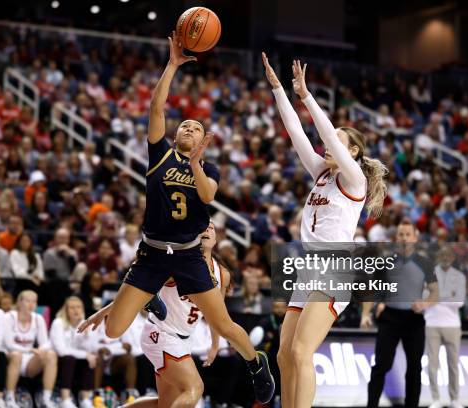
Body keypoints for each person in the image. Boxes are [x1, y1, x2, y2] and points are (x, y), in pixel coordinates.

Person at [79, 32, 274, 404]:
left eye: (195, 127)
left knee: (224, 325)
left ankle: (255, 362)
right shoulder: (160, 155)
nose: (187, 128)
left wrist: (198, 163)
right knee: (114, 330)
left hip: (187, 255)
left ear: (203, 139)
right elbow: (156, 109)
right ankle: (151, 297)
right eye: (183, 125)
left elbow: (208, 195)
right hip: (151, 253)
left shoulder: (209, 167)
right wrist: (171, 66)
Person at [263, 54, 388, 408]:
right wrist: (278, 90)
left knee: (302, 351)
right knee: (284, 355)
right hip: (309, 267)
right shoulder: (321, 172)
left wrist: (306, 96)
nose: (327, 143)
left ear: (352, 152)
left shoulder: (354, 180)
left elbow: (323, 135)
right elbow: (295, 132)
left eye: (336, 140)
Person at [124, 222, 230, 408]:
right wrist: (107, 310)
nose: (206, 230)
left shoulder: (222, 274)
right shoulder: (179, 264)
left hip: (182, 339)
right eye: (201, 227)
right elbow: (137, 288)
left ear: (216, 238)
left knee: (165, 404)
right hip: (161, 333)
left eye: (211, 228)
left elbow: (218, 315)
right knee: (194, 388)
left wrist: (215, 344)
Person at [361, 220, 439, 408]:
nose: (404, 238)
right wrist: (365, 314)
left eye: (408, 234)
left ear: (415, 237)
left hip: (414, 320)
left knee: (414, 368)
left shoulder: (425, 264)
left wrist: (425, 303)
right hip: (390, 319)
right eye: (401, 234)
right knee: (381, 366)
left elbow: (435, 292)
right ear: (396, 237)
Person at [424, 250, 466, 408]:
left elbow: (459, 302)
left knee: (453, 364)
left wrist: (437, 294)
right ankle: (436, 399)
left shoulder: (459, 276)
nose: (445, 257)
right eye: (442, 255)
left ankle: (455, 399)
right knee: (432, 364)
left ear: (453, 257)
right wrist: (449, 294)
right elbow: (425, 298)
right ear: (438, 257)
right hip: (432, 323)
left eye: (448, 255)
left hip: (453, 325)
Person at [3, 290, 57, 408]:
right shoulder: (9, 317)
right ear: (19, 302)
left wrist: (41, 350)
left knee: (51, 355)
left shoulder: (38, 318)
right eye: (27, 301)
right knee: (17, 355)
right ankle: (9, 397)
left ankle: (46, 398)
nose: (31, 304)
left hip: (28, 360)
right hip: (10, 355)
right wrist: (30, 350)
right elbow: (7, 344)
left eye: (34, 301)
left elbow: (45, 343)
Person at [49, 296, 97, 408]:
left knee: (91, 359)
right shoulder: (58, 323)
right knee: (69, 358)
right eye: (72, 308)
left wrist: (86, 334)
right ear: (66, 310)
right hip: (57, 359)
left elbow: (91, 349)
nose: (76, 310)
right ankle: (64, 399)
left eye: (78, 307)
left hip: (76, 360)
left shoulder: (85, 324)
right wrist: (85, 355)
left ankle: (85, 399)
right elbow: (61, 351)